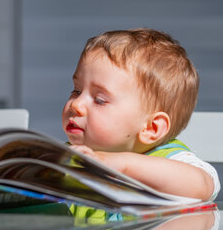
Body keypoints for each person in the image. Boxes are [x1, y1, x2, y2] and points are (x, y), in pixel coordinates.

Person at [62, 28, 220, 202]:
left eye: (100, 100)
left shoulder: (174, 160)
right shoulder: (69, 155)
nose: (76, 104)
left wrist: (121, 165)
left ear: (151, 128)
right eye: (76, 90)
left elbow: (202, 186)